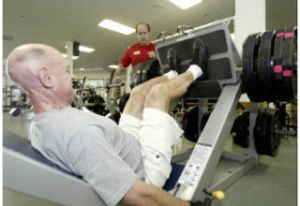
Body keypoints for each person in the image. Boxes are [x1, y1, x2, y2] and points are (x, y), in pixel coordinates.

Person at [7, 43, 205, 206]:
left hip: (122, 147)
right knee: (158, 93)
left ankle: (173, 73)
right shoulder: (79, 134)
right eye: (67, 71)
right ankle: (196, 70)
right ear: (47, 78)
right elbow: (138, 195)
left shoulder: (42, 122)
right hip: (146, 168)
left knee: (137, 94)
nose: (73, 77)